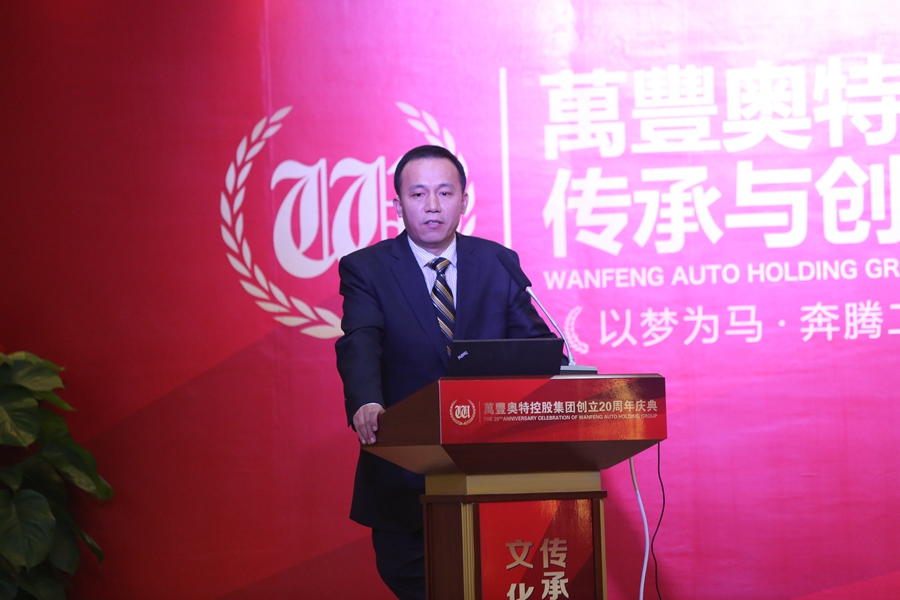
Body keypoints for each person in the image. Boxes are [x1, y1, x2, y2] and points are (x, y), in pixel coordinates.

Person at [335, 145, 556, 600]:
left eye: (445, 192)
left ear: (464, 200)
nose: (432, 205)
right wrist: (366, 399)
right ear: (398, 204)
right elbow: (360, 341)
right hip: (407, 472)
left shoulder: (497, 262)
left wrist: (560, 371)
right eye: (418, 194)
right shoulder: (367, 269)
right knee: (416, 581)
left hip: (493, 471)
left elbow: (535, 349)